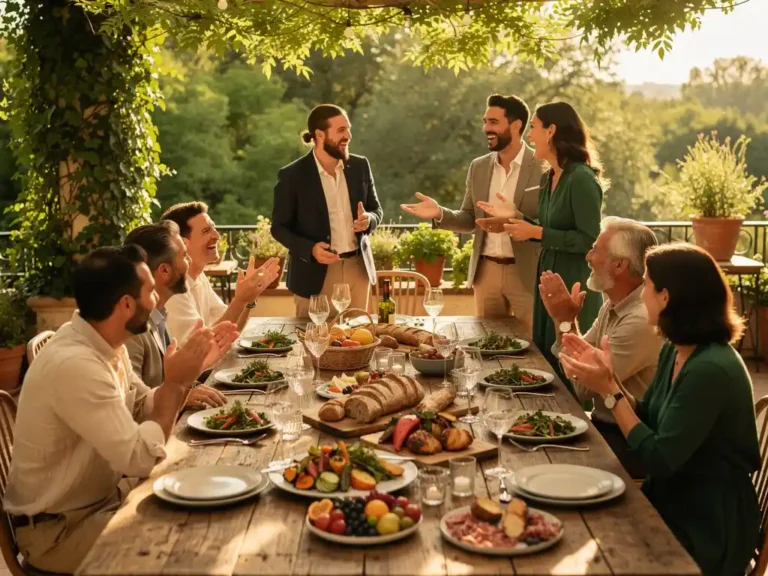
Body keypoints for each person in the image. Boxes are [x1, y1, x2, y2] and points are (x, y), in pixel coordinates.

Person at [4, 246, 218, 573]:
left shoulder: (104, 343)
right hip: (59, 532)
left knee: (205, 492)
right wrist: (174, 386)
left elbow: (140, 404)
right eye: (149, 292)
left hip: (103, 501)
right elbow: (139, 459)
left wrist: (180, 382)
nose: (157, 301)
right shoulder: (76, 364)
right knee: (183, 544)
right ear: (126, 304)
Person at [559, 243, 760, 576]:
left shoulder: (711, 368)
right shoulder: (677, 349)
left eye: (648, 286)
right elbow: (649, 412)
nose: (641, 296)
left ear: (666, 297)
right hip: (673, 498)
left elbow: (659, 459)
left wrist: (609, 392)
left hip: (706, 523)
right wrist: (609, 380)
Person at [400, 94, 544, 335]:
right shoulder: (478, 167)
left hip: (527, 274)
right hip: (485, 272)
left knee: (532, 346)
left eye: (494, 122)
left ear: (516, 125)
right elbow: (469, 219)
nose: (486, 128)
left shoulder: (542, 166)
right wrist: (439, 213)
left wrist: (511, 221)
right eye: (485, 121)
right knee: (488, 343)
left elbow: (548, 222)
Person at [484, 101, 603, 377]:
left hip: (572, 283)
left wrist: (537, 233)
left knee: (570, 364)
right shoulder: (550, 177)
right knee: (547, 360)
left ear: (551, 131)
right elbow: (545, 230)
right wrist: (514, 219)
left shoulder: (582, 179)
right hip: (548, 277)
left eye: (534, 127)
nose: (530, 135)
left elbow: (589, 240)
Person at [540, 216, 661, 478]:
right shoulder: (615, 302)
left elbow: (583, 386)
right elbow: (584, 354)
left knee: (540, 463)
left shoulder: (640, 319)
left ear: (619, 265)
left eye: (595, 249)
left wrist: (564, 322)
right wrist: (566, 322)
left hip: (628, 444)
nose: (588, 256)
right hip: (604, 426)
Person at [271, 104, 383, 317]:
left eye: (348, 128)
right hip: (314, 276)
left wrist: (369, 219)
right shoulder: (292, 176)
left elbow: (376, 209)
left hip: (358, 270)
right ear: (319, 135)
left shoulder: (360, 166)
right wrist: (310, 249)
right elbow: (279, 227)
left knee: (359, 340)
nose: (348, 135)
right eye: (341, 130)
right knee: (315, 344)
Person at [124, 221, 237, 409]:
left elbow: (167, 380)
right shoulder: (131, 329)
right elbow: (131, 406)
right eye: (184, 256)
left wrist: (195, 368)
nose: (190, 261)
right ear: (164, 270)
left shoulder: (160, 314)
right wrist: (180, 395)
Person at [161, 202, 280, 343]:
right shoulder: (173, 290)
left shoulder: (199, 277)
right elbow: (198, 348)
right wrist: (240, 299)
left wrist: (248, 298)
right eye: (206, 231)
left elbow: (232, 325)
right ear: (182, 244)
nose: (217, 235)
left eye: (214, 228)